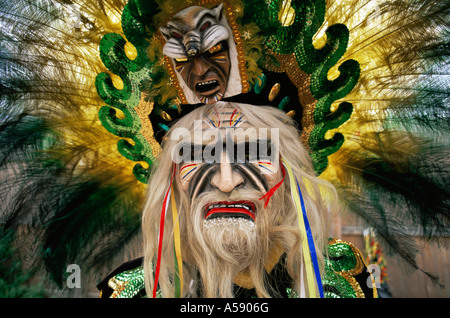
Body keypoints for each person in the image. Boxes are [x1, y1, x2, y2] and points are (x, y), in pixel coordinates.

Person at [97, 101, 377, 298]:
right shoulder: (130, 290)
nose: (226, 181)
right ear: (170, 180)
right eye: (197, 156)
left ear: (286, 169)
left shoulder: (339, 276)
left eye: (253, 153)